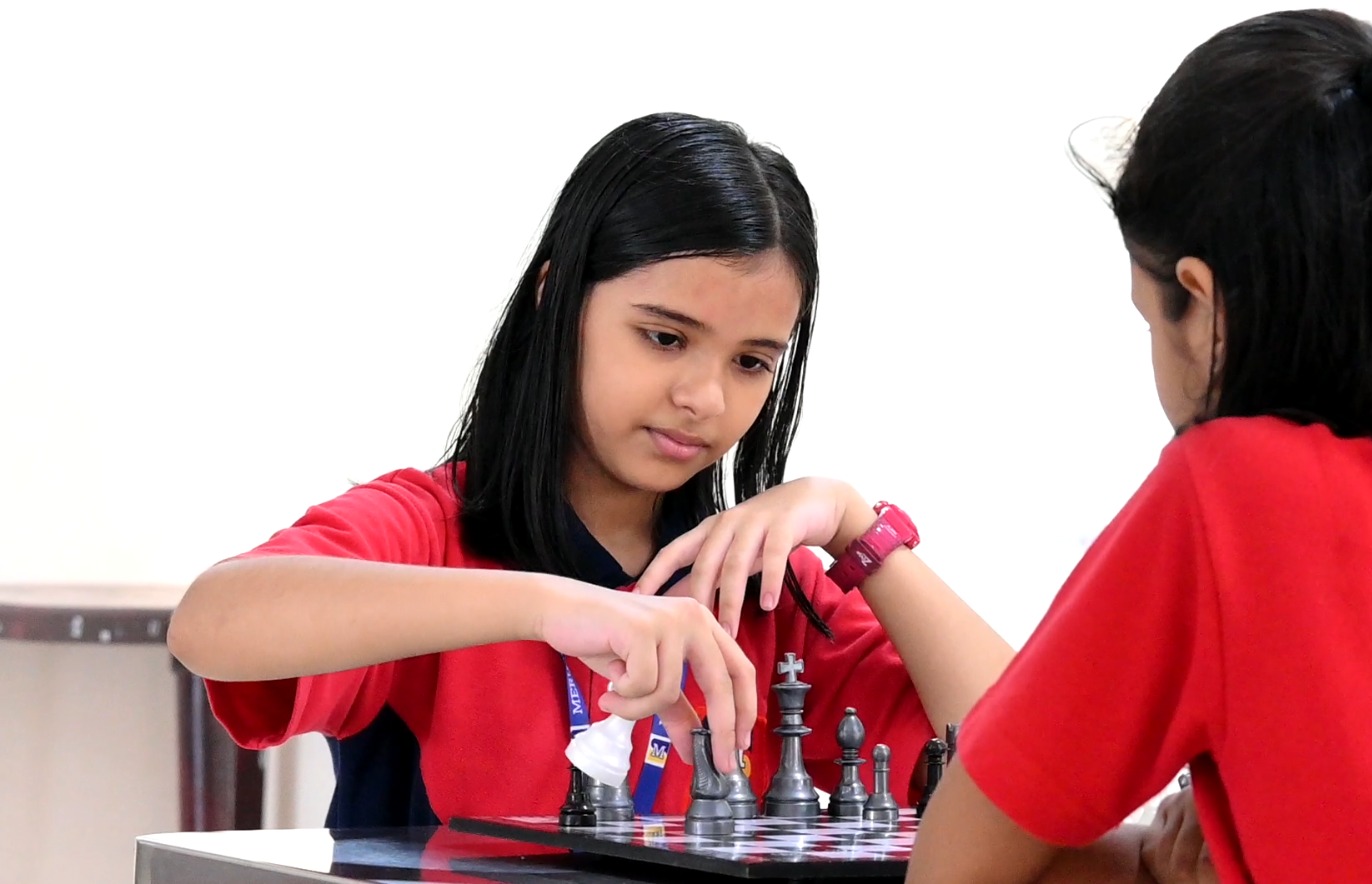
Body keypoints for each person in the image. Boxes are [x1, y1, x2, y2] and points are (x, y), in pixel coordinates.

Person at [166, 111, 1013, 828]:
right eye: (665, 337)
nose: (704, 397)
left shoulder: (758, 590)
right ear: (556, 301)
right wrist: (553, 607)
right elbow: (210, 623)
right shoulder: (430, 531)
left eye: (752, 361)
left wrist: (855, 524)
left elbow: (1018, 758)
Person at [909, 10, 1372, 883]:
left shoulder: (1235, 493)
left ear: (1202, 305)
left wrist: (1151, 865)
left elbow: (953, 867)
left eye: (1147, 317)